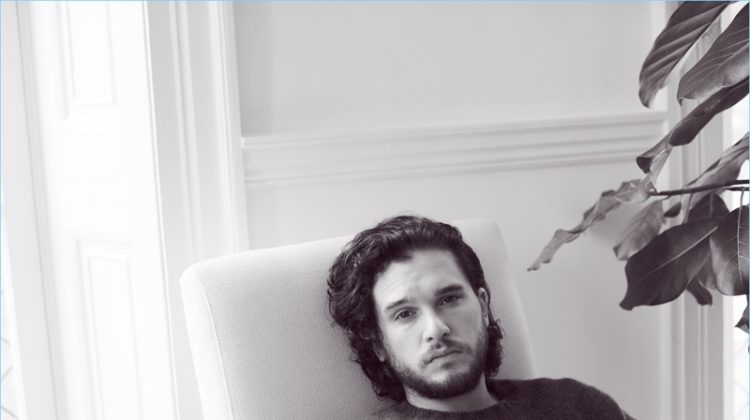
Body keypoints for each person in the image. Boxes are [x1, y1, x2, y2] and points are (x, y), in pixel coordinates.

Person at [327, 215, 635, 419]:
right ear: (377, 342)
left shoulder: (577, 405)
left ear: (484, 306)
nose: (436, 328)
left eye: (449, 299)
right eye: (405, 314)